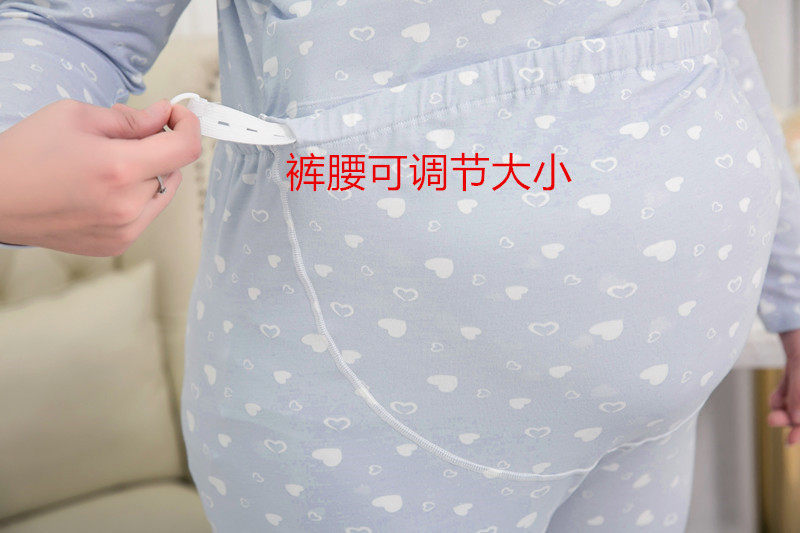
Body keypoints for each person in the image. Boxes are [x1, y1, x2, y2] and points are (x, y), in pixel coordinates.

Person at [2, 0, 800, 531]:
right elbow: (70, 23)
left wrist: (793, 291)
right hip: (373, 418)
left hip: (656, 406)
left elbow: (711, 29)